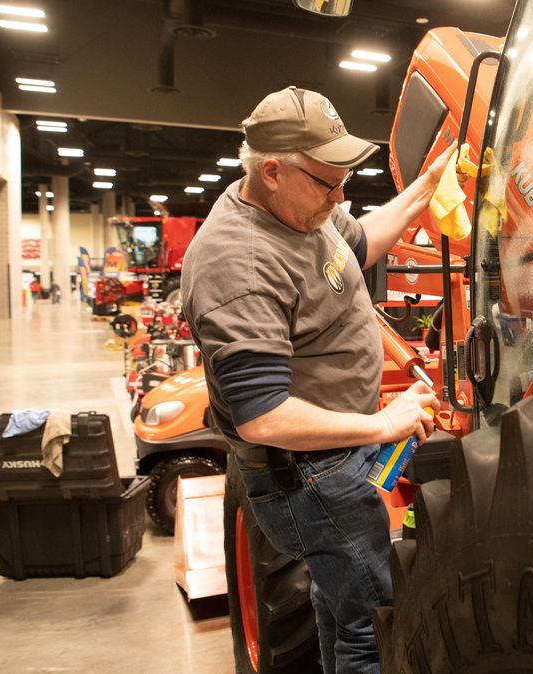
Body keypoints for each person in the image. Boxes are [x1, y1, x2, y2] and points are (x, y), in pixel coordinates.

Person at [181, 86, 448, 673]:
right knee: (372, 623)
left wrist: (424, 191)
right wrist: (383, 422)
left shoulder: (301, 212)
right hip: (310, 474)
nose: (340, 197)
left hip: (333, 458)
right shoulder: (239, 262)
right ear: (272, 170)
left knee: (341, 604)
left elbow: (359, 243)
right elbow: (264, 415)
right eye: (328, 183)